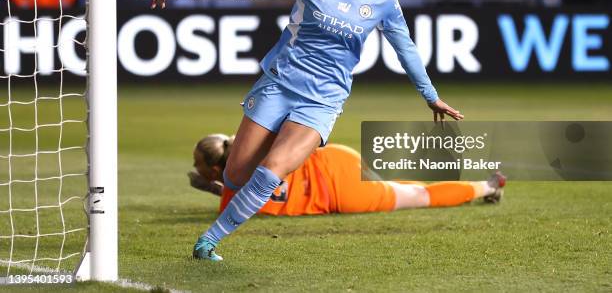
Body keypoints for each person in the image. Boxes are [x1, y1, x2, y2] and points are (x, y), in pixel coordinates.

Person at [139, 0, 463, 262]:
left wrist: (431, 96)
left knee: (272, 169)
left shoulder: (383, 0)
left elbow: (406, 49)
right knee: (235, 172)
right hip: (280, 83)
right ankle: (256, 193)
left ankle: (208, 243)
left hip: (322, 100)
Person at [189, 134, 506, 216]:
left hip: (339, 192)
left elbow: (241, 200)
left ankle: (487, 186)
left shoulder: (230, 200)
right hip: (336, 159)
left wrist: (209, 187)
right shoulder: (258, 140)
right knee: (398, 186)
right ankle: (480, 183)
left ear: (216, 171)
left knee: (418, 198)